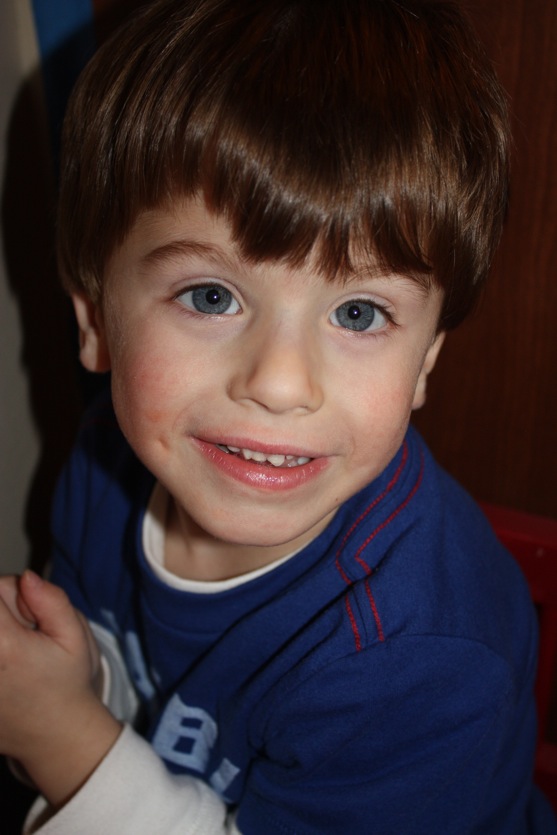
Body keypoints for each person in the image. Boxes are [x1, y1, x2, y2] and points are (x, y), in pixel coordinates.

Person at [0, 0, 555, 832]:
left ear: (425, 363)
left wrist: (62, 739)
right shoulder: (104, 465)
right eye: (210, 296)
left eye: (359, 313)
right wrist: (67, 679)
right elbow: (109, 660)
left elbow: (76, 733)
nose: (281, 383)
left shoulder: (418, 660)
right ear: (96, 323)